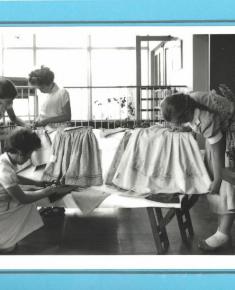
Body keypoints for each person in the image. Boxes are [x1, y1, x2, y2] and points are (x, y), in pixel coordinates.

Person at [160, 90, 235, 251]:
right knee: (218, 181)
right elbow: (198, 126)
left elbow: (219, 149)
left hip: (230, 138)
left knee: (227, 186)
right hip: (221, 134)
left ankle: (223, 233)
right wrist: (186, 129)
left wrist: (218, 178)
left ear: (185, 114)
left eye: (178, 122)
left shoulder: (205, 118)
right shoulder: (188, 101)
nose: (178, 125)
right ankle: (223, 227)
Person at [0, 127, 67, 253]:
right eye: (30, 154)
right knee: (30, 201)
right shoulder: (4, 170)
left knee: (32, 191)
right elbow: (23, 199)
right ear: (20, 152)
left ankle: (6, 238)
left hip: (3, 201)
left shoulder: (4, 159)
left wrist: (37, 183)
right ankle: (4, 239)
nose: (30, 158)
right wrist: (49, 191)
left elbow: (16, 177)